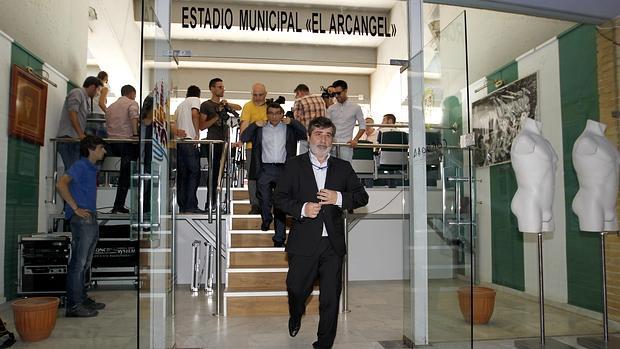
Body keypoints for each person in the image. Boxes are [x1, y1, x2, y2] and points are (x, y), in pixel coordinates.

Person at [274, 117, 368, 349]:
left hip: (332, 245)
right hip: (304, 241)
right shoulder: (294, 165)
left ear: (333, 140)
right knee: (296, 289)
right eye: (318, 134)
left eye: (328, 135)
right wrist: (303, 209)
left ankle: (324, 344)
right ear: (308, 137)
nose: (323, 139)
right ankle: (296, 314)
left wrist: (339, 198)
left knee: (330, 298)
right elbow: (279, 198)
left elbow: (361, 197)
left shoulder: (343, 168)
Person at [240, 102, 307, 247]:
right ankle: (266, 218)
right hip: (265, 169)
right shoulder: (260, 129)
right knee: (263, 198)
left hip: (284, 169)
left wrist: (293, 122)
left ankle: (279, 238)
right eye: (271, 113)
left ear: (282, 114)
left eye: (278, 113)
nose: (274, 116)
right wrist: (254, 125)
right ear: (267, 114)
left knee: (280, 204)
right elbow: (244, 137)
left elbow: (305, 134)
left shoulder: (289, 128)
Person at [56, 135, 107, 317]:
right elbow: (61, 184)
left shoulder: (91, 168)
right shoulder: (80, 165)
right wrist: (75, 208)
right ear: (92, 149)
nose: (104, 151)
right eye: (101, 147)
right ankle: (74, 305)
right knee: (79, 263)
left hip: (89, 218)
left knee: (85, 263)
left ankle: (82, 298)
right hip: (82, 219)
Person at [200, 78, 241, 211]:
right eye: (219, 87)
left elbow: (239, 109)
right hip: (213, 142)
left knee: (221, 174)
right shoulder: (206, 105)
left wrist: (226, 105)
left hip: (225, 144)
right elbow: (201, 126)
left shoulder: (225, 105)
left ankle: (217, 203)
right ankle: (209, 203)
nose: (222, 89)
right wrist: (217, 116)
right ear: (212, 89)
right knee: (213, 174)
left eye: (223, 87)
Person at [105, 84, 140, 213]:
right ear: (132, 93)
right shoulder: (132, 103)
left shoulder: (110, 107)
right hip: (127, 142)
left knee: (123, 174)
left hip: (112, 144)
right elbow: (133, 116)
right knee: (126, 174)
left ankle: (117, 205)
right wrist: (135, 134)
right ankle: (118, 205)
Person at [57, 76, 103, 170]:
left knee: (75, 171)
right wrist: (81, 134)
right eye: (98, 90)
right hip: (69, 139)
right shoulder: (77, 93)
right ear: (93, 87)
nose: (98, 93)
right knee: (72, 171)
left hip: (75, 139)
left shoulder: (85, 99)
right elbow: (72, 114)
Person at [173, 85, 204, 214]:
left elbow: (174, 124)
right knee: (194, 173)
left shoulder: (179, 106)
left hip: (180, 143)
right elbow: (195, 114)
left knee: (182, 175)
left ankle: (183, 206)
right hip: (190, 141)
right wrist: (197, 134)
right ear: (198, 94)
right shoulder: (195, 100)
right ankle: (191, 205)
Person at [239, 83, 268, 214]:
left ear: (265, 94)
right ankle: (255, 204)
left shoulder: (270, 107)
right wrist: (241, 139)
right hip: (252, 147)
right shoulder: (248, 106)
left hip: (269, 148)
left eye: (260, 95)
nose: (257, 97)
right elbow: (244, 125)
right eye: (255, 95)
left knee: (268, 176)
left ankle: (267, 202)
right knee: (252, 177)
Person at [326, 80, 366, 163]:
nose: (337, 96)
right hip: (331, 144)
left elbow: (362, 126)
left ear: (345, 91)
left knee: (345, 170)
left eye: (339, 93)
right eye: (335, 94)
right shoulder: (331, 108)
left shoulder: (356, 107)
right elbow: (327, 126)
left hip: (346, 145)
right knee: (330, 170)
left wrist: (355, 139)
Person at [293, 83, 325, 153]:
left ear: (300, 92)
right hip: (320, 136)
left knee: (305, 161)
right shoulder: (321, 99)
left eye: (296, 94)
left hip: (306, 137)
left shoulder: (299, 101)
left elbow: (296, 121)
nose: (296, 96)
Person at [86, 71, 109, 137]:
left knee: (90, 140)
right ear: (105, 78)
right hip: (99, 116)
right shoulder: (104, 89)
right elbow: (101, 103)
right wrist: (109, 113)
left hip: (88, 116)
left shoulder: (92, 87)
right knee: (99, 140)